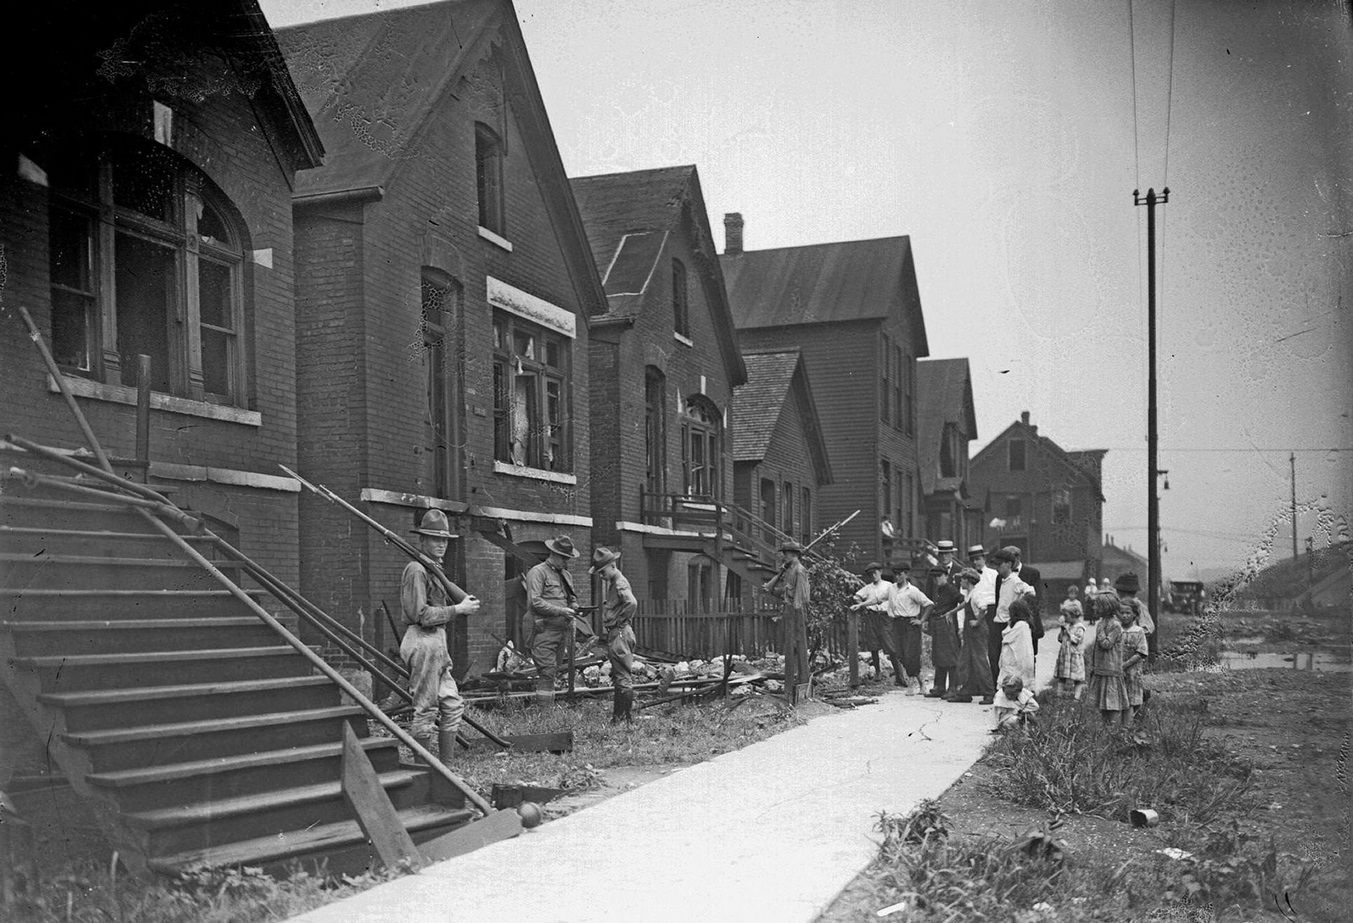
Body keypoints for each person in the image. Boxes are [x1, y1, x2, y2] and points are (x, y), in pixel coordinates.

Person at [400, 509, 481, 765]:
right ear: (422, 541)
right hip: (422, 640)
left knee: (453, 705)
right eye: (435, 539)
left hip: (438, 641)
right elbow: (419, 614)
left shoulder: (433, 569)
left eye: (444, 540)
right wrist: (457, 610)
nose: (441, 544)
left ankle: (446, 768)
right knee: (425, 708)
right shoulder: (416, 570)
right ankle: (424, 770)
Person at [526, 535, 581, 698]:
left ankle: (548, 708)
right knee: (547, 671)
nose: (566, 563)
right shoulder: (537, 572)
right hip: (543, 630)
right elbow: (534, 602)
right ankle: (545, 717)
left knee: (553, 670)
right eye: (564, 559)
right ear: (554, 554)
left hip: (562, 631)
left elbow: (571, 597)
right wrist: (561, 611)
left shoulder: (566, 575)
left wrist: (574, 605)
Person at [590, 546, 637, 723]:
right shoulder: (614, 583)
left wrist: (619, 620)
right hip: (618, 633)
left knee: (623, 677)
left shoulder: (619, 583)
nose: (601, 576)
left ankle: (626, 719)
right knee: (619, 675)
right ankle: (618, 718)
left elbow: (632, 603)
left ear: (612, 565)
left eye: (602, 572)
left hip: (620, 633)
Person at [763, 540, 812, 697]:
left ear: (793, 554)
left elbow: (801, 597)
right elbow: (784, 592)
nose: (783, 557)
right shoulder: (789, 570)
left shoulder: (799, 571)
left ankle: (802, 685)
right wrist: (778, 576)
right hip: (789, 612)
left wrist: (797, 616)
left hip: (796, 613)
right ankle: (790, 687)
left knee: (800, 648)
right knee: (790, 650)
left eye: (785, 554)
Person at [948, 568, 995, 704]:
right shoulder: (969, 594)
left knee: (980, 662)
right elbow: (965, 603)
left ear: (968, 580)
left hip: (978, 631)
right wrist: (953, 611)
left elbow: (983, 608)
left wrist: (977, 621)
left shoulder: (977, 594)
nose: (960, 581)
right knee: (965, 661)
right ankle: (965, 693)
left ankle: (989, 693)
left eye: (962, 579)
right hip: (970, 632)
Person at [988, 549, 1033, 686]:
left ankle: (1006, 688)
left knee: (1006, 658)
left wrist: (1018, 605)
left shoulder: (1015, 580)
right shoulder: (1001, 580)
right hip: (997, 622)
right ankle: (996, 688)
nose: (997, 568)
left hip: (1007, 624)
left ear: (1008, 564)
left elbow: (1030, 591)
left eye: (1000, 565)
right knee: (993, 656)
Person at [1084, 592, 1129, 727]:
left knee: (1112, 702)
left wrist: (1100, 632)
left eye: (1097, 605)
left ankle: (1113, 729)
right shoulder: (1101, 623)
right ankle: (1106, 728)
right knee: (1103, 702)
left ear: (1105, 607)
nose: (1094, 608)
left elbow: (1106, 644)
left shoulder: (1115, 625)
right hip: (1101, 668)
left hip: (1111, 669)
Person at [887, 561, 932, 694]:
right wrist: (862, 604)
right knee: (900, 653)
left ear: (906, 574)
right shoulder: (892, 589)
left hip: (910, 625)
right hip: (897, 624)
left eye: (900, 574)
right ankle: (920, 679)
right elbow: (879, 598)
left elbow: (929, 604)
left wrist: (922, 620)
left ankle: (914, 683)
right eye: (895, 574)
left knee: (911, 654)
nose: (897, 577)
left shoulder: (912, 591)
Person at [849, 562, 894, 682]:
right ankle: (878, 672)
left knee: (890, 645)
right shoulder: (868, 588)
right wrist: (862, 605)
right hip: (872, 616)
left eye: (875, 572)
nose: (873, 575)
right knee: (873, 645)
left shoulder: (888, 585)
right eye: (870, 574)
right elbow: (856, 596)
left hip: (885, 616)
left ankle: (899, 674)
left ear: (880, 572)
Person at [923, 566, 962, 697]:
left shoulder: (951, 589)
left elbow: (963, 601)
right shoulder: (938, 589)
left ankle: (953, 688)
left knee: (950, 656)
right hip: (937, 623)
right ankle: (939, 686)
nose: (937, 579)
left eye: (939, 576)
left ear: (946, 576)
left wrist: (952, 613)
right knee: (938, 655)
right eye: (935, 577)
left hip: (947, 624)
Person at [1003, 546, 1045, 663]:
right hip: (1008, 622)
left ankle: (1030, 680)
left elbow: (1036, 599)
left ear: (1018, 558)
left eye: (1009, 559)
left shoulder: (1032, 573)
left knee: (1030, 656)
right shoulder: (1003, 574)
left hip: (1028, 622)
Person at [1119, 598, 1150, 729]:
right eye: (1122, 613)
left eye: (1128, 613)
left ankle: (1129, 727)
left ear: (1135, 615)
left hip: (1133, 671)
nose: (1124, 616)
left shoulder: (1138, 631)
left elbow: (1141, 652)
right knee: (1122, 699)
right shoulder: (1117, 630)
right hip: (1118, 671)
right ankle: (1122, 727)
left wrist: (1125, 665)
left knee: (1132, 699)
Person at [999, 596, 1037, 691]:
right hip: (1017, 658)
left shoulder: (1021, 625)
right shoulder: (1023, 625)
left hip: (1015, 659)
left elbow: (1007, 636)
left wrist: (1008, 626)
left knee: (1013, 682)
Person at [1055, 598, 1087, 699]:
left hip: (1074, 655)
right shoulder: (1068, 626)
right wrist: (1062, 629)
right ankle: (1059, 695)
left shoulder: (1079, 627)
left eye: (1066, 616)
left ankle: (1076, 697)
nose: (1064, 618)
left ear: (1074, 615)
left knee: (1077, 677)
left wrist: (1067, 632)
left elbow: (1076, 640)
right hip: (1065, 655)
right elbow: (1060, 639)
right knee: (1062, 676)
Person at [1113, 572, 1155, 638]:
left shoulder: (1139, 606)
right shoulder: (1118, 605)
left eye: (1118, 591)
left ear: (1123, 592)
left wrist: (1133, 633)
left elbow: (1148, 628)